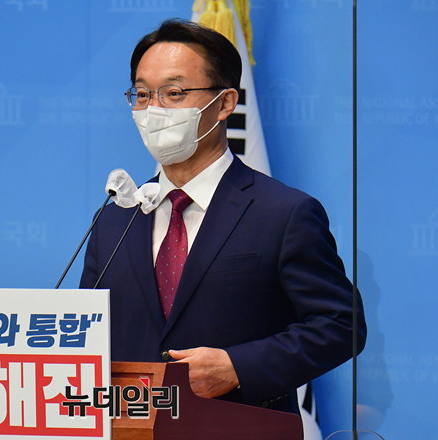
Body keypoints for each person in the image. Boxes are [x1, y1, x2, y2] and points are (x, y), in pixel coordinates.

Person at [79, 18, 366, 414]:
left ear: (226, 103)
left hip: (239, 425)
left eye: (174, 93)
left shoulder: (283, 213)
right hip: (131, 425)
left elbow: (341, 324)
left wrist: (238, 367)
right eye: (142, 95)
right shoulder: (114, 219)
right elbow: (86, 334)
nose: (153, 110)